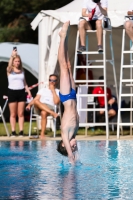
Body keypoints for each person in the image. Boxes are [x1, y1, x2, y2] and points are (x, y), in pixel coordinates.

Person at [57, 21, 79, 165]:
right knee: (69, 65)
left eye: (72, 148)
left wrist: (71, 157)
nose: (75, 146)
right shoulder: (74, 132)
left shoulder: (65, 134)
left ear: (64, 145)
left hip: (66, 97)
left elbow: (70, 152)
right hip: (73, 95)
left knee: (63, 67)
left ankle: (62, 37)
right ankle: (64, 37)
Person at [26, 74, 60, 139]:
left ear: (57, 81)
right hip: (39, 106)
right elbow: (36, 99)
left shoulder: (58, 91)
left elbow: (56, 102)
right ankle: (53, 113)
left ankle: (42, 134)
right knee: (36, 101)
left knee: (43, 113)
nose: (52, 82)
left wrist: (53, 91)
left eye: (54, 80)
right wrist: (29, 105)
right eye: (50, 80)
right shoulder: (42, 90)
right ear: (48, 80)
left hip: (50, 107)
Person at [7, 48, 32, 137]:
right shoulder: (9, 70)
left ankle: (21, 131)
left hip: (21, 91)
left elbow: (24, 83)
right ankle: (13, 131)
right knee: (13, 114)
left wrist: (28, 91)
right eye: (16, 61)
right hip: (12, 92)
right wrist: (12, 55)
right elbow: (9, 65)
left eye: (18, 61)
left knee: (20, 113)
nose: (17, 63)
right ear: (13, 62)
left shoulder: (22, 71)